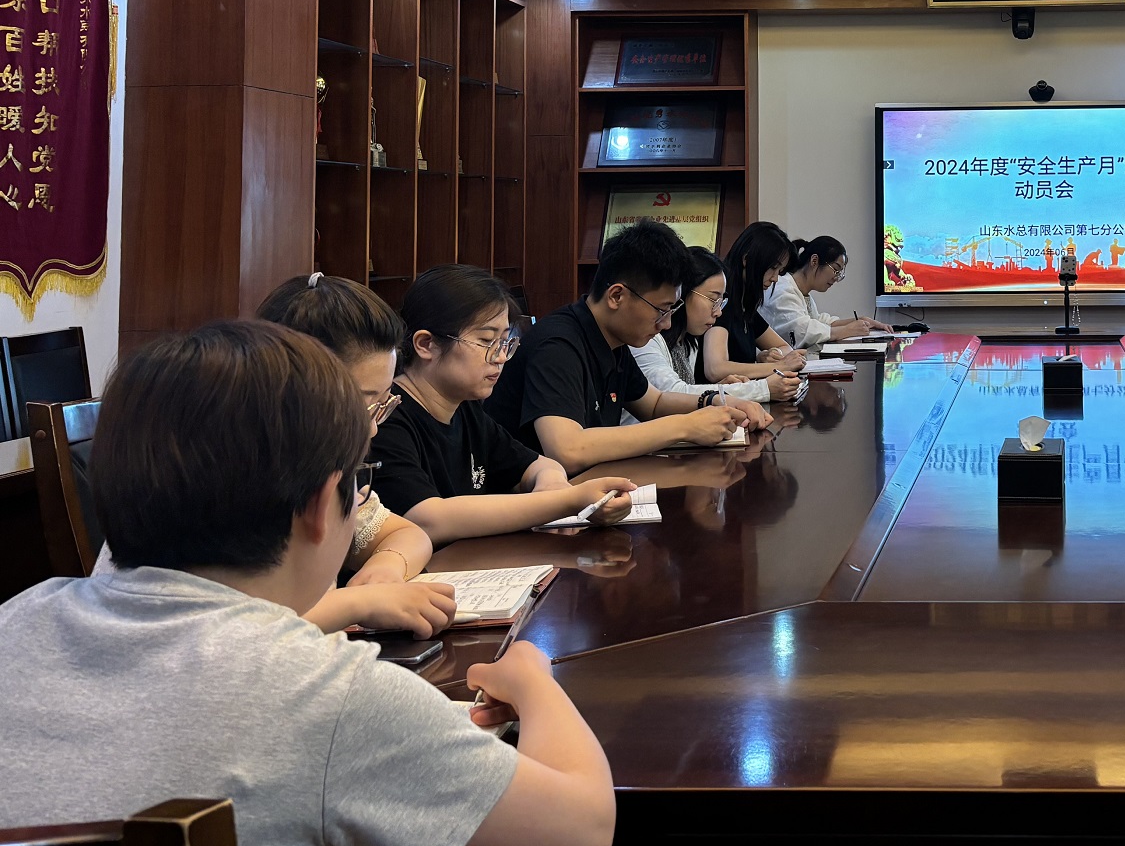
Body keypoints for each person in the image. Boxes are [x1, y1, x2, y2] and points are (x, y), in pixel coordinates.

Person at [0, 320, 616, 846]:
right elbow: (579, 831)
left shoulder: (16, 619)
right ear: (325, 506)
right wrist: (531, 678)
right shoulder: (333, 696)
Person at [374, 266, 641, 544]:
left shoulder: (465, 409)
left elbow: (538, 465)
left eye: (504, 342)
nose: (501, 357)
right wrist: (565, 501)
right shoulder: (385, 416)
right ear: (426, 344)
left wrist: (552, 484)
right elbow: (428, 519)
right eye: (486, 341)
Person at [256, 273, 454, 638]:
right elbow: (236, 630)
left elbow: (409, 534)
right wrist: (358, 603)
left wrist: (387, 567)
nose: (373, 429)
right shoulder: (236, 476)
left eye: (383, 403)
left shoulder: (324, 468)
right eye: (363, 404)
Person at [488, 222, 767, 472]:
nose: (666, 324)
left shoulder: (613, 339)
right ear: (616, 296)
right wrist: (685, 426)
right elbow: (567, 450)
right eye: (661, 310)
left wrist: (717, 401)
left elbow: (654, 404)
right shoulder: (558, 344)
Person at [635, 246, 796, 402]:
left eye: (721, 302)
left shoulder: (688, 342)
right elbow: (671, 394)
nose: (718, 312)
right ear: (681, 293)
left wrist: (720, 388)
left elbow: (687, 394)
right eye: (713, 299)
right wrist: (761, 389)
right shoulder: (647, 339)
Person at [708, 222, 808, 383]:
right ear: (746, 259)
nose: (775, 278)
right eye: (773, 268)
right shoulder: (723, 301)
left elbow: (785, 348)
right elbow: (715, 369)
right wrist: (779, 366)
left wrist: (769, 356)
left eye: (779, 271)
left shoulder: (744, 303)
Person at [763, 235, 884, 347]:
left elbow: (818, 321)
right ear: (814, 261)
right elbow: (802, 331)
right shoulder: (782, 289)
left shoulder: (801, 292)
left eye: (839, 273)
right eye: (835, 269)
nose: (836, 278)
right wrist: (847, 330)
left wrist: (861, 320)